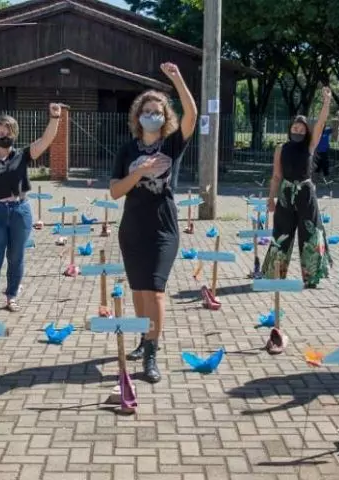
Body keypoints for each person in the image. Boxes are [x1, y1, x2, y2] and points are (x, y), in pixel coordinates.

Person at [110, 62, 197, 384]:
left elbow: (192, 115)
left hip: (164, 226)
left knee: (156, 291)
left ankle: (151, 354)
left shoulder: (172, 144)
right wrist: (139, 172)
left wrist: (177, 78)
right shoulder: (126, 150)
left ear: (165, 116)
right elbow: (115, 191)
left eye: (158, 112)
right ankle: (143, 337)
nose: (152, 116)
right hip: (133, 227)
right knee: (138, 290)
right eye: (147, 111)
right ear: (138, 116)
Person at [0, 104, 64, 320]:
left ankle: (11, 296)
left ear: (14, 135)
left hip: (20, 211)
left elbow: (46, 141)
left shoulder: (22, 155)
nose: (5, 136)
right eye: (1, 132)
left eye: (9, 132)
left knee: (16, 257)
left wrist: (55, 118)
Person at [262, 87, 333, 295]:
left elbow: (320, 124)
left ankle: (312, 276)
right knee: (281, 232)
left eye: (302, 129)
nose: (298, 131)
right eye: (295, 128)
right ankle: (276, 273)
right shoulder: (281, 148)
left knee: (310, 233)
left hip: (306, 193)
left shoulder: (310, 146)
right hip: (285, 194)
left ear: (306, 132)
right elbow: (276, 175)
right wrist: (271, 198)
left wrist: (326, 102)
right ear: (290, 129)